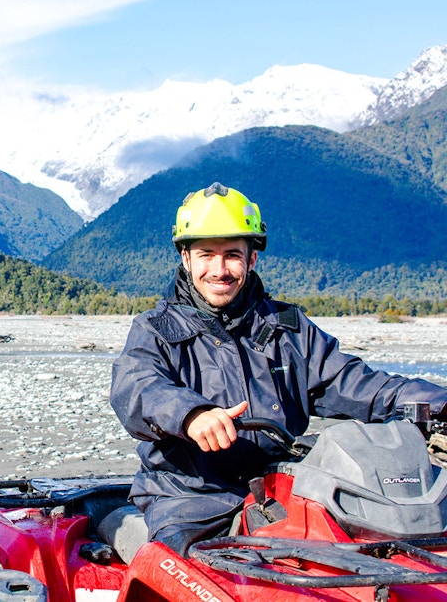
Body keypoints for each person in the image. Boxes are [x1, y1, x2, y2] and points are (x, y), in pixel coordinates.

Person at [110, 181, 447, 556]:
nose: (219, 269)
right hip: (191, 500)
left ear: (252, 258)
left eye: (232, 255)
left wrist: (439, 403)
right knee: (190, 575)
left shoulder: (287, 326)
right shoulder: (156, 328)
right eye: (206, 254)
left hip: (284, 487)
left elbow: (358, 384)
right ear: (186, 259)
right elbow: (137, 388)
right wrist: (191, 414)